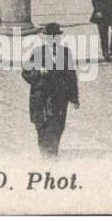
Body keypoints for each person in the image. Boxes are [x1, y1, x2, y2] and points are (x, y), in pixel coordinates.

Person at [21, 23, 80, 158]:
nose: (53, 40)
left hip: (60, 96)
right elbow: (25, 72)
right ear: (46, 39)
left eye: (55, 37)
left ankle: (53, 151)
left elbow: (71, 76)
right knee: (42, 125)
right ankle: (45, 153)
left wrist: (74, 98)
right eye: (50, 37)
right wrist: (38, 72)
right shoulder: (38, 53)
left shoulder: (65, 52)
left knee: (58, 125)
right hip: (42, 96)